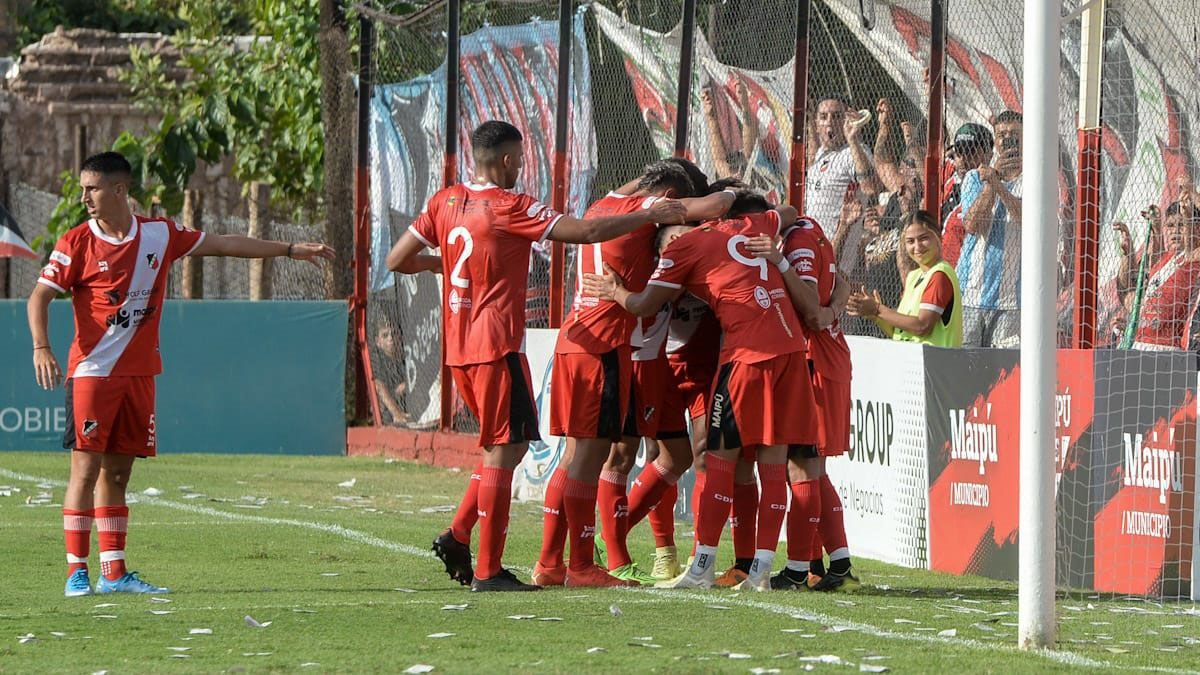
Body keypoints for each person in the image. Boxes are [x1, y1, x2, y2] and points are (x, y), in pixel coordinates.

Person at [385, 120, 687, 592]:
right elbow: (585, 230)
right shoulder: (510, 206)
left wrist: (445, 261)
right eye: (520, 160)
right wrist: (649, 214)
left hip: (459, 347)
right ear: (507, 160)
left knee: (507, 447)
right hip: (497, 344)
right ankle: (489, 569)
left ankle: (460, 534)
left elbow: (397, 260)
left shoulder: (444, 201)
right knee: (511, 451)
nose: (522, 168)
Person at [29, 151, 335, 598]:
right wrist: (42, 346)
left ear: (119, 190)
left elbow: (225, 244)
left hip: (140, 375)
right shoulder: (76, 242)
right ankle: (77, 572)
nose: (84, 197)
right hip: (92, 374)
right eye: (83, 189)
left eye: (92, 188)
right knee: (85, 470)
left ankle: (113, 573)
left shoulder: (159, 234)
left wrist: (289, 249)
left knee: (117, 476)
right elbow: (39, 297)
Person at [583, 190, 821, 590]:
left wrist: (614, 292)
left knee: (720, 460)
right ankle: (760, 570)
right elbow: (789, 211)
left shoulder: (686, 248)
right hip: (791, 349)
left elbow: (642, 304)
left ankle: (703, 566)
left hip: (747, 357)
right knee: (771, 460)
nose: (674, 244)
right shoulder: (751, 224)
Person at [533, 161, 733, 588]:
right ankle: (587, 563)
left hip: (574, 338)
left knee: (574, 458)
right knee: (594, 461)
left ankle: (552, 564)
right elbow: (714, 204)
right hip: (606, 345)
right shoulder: (651, 208)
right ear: (670, 196)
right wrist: (741, 197)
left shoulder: (601, 206)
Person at [759, 214, 856, 591]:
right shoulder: (811, 234)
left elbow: (813, 311)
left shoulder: (797, 241)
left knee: (802, 467)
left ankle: (799, 569)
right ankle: (838, 562)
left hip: (815, 362)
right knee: (813, 470)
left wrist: (831, 309)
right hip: (825, 361)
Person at [847, 211, 963, 347]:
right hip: (912, 361)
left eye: (924, 238)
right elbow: (901, 333)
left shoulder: (940, 275)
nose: (917, 247)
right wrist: (875, 316)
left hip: (934, 364)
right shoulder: (914, 277)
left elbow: (922, 326)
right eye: (910, 241)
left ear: (938, 236)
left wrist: (878, 309)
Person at [957, 110, 1022, 348]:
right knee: (965, 366)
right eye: (1002, 135)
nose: (1008, 140)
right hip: (971, 295)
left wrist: (999, 186)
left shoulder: (1035, 179)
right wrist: (990, 184)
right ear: (995, 142)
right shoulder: (975, 177)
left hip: (1011, 301)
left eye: (1015, 134)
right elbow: (973, 225)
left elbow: (1026, 219)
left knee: (1002, 371)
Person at [805, 95, 878, 274]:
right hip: (810, 245)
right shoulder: (821, 153)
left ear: (846, 120)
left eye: (836, 116)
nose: (829, 122)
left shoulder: (854, 152)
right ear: (816, 124)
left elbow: (870, 187)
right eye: (823, 117)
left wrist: (852, 139)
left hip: (837, 252)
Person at [1113, 201, 1200, 350]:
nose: (1175, 231)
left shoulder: (1192, 259)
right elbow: (1126, 295)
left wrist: (1188, 199)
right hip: (1137, 345)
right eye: (1171, 226)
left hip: (1165, 350)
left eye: (1182, 225)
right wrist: (1127, 253)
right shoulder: (1163, 261)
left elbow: (1192, 243)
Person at [940, 123, 994, 266]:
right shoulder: (949, 181)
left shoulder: (990, 191)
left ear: (988, 155)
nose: (963, 159)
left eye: (970, 151)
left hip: (965, 274)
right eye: (959, 152)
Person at [370, 321, 409, 426]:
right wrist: (396, 413)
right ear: (378, 342)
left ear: (400, 336)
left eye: (394, 333)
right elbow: (379, 386)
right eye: (385, 335)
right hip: (389, 418)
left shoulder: (408, 356)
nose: (390, 338)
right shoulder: (377, 361)